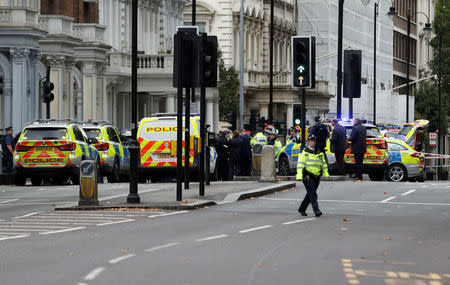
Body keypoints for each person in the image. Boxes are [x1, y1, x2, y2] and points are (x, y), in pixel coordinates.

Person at [296, 134, 329, 217]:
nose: (313, 142)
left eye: (314, 141)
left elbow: (323, 164)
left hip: (316, 176)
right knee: (312, 193)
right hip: (307, 176)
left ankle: (302, 209)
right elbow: (300, 165)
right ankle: (316, 210)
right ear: (308, 142)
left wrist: (326, 173)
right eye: (311, 140)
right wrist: (299, 176)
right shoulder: (304, 152)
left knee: (310, 194)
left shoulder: (319, 152)